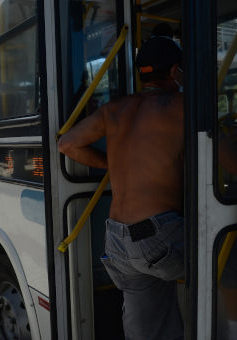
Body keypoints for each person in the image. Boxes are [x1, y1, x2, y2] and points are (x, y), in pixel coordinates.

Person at [59, 36, 185, 340]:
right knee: (235, 254)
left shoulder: (114, 109)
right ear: (176, 72)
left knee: (144, 329)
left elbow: (67, 144)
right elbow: (236, 166)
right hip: (161, 237)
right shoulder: (183, 106)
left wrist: (112, 163)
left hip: (117, 239)